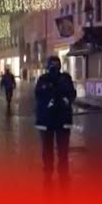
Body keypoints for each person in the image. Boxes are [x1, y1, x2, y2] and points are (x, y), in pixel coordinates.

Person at [35, 56, 76, 185]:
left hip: (59, 119)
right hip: (48, 119)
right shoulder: (44, 79)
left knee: (60, 150)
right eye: (53, 65)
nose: (54, 68)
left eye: (55, 65)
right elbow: (39, 95)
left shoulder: (64, 78)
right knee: (50, 149)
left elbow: (72, 94)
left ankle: (60, 174)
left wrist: (64, 98)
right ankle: (50, 174)